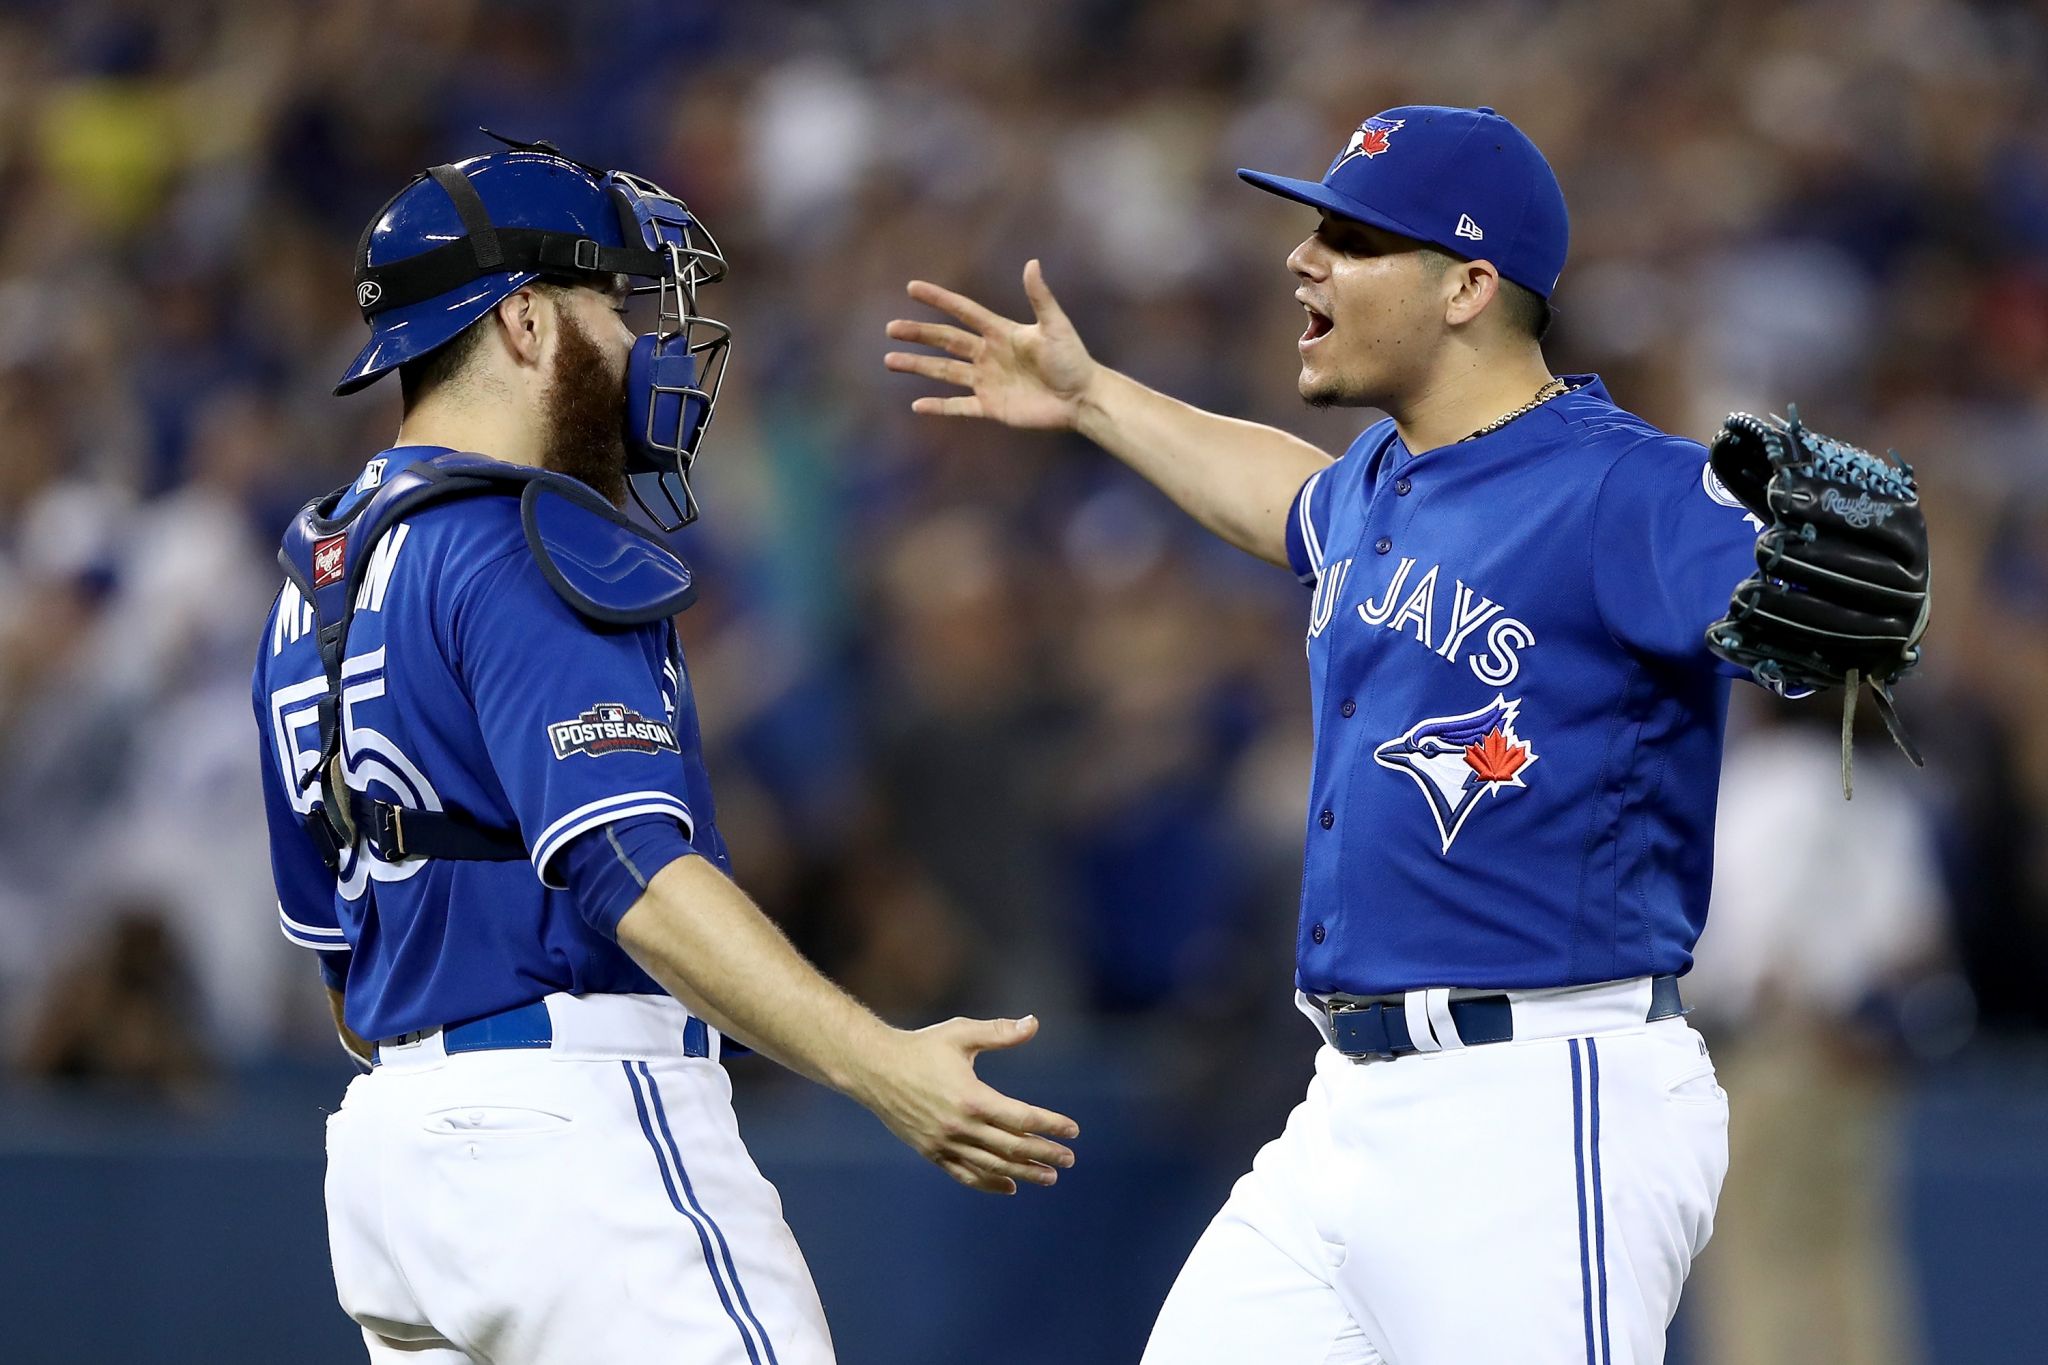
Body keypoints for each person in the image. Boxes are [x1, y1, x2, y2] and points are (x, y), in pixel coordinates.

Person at [886, 104, 1784, 1363]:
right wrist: (1092, 400)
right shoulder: (1378, 480)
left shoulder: (1618, 485)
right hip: (1344, 1103)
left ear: (1469, 284)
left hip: (1539, 1094)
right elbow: (1279, 497)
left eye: (1353, 239)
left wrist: (1830, 593)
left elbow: (1810, 597)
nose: (1302, 259)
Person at [252, 139, 1077, 1365]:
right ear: (525, 321)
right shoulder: (521, 537)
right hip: (576, 1139)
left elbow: (336, 957)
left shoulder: (320, 571)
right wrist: (880, 1064)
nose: (644, 344)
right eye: (610, 304)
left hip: (394, 1164)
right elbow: (627, 872)